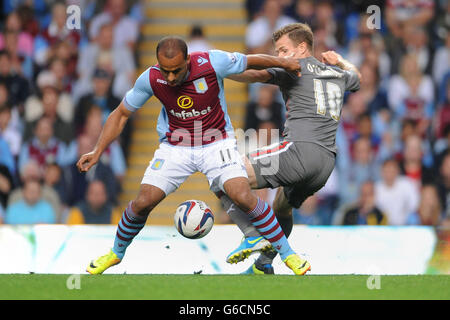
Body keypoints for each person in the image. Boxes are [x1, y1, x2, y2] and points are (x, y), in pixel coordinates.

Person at [78, 36, 309, 275]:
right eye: (165, 71)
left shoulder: (211, 62)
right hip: (175, 147)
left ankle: (288, 254)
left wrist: (285, 64)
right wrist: (97, 150)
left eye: (176, 71)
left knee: (241, 194)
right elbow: (121, 113)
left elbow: (251, 61)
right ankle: (115, 253)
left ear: (188, 60)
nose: (170, 77)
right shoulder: (151, 78)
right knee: (143, 202)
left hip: (216, 142)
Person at [218, 23, 361, 274]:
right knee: (282, 207)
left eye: (284, 50)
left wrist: (219, 69)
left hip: (299, 151)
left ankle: (253, 235)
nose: (280, 57)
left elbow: (254, 75)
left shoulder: (294, 69)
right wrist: (340, 60)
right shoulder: (336, 74)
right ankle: (264, 264)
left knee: (227, 172)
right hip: (325, 165)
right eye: (278, 52)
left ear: (302, 47)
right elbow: (357, 79)